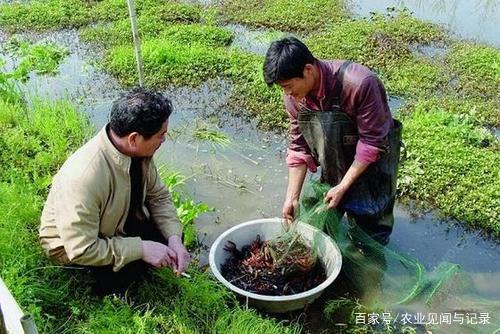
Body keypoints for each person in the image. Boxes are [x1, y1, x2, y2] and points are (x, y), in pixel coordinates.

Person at [39, 87, 190, 294]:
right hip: (79, 248)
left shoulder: (139, 152)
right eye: (160, 135)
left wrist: (174, 238)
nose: (164, 140)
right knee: (126, 276)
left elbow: (158, 197)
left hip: (116, 223)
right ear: (134, 139)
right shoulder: (83, 177)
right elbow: (82, 249)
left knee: (174, 237)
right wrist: (141, 249)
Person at [263, 37, 402, 245]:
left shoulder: (361, 84)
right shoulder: (294, 97)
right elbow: (299, 148)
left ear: (308, 70)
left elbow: (372, 143)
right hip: (334, 166)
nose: (287, 93)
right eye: (282, 88)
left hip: (372, 171)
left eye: (289, 86)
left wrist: (343, 186)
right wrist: (291, 197)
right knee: (317, 229)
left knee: (369, 239)